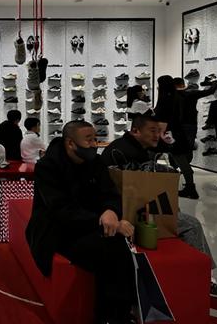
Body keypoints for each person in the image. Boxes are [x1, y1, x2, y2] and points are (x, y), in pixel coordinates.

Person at [101, 115, 217, 298]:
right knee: (192, 224)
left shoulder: (129, 147)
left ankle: (200, 274)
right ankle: (205, 279)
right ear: (136, 131)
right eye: (152, 131)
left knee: (179, 216)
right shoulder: (126, 151)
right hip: (128, 211)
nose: (157, 135)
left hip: (128, 207)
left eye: (159, 131)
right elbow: (136, 192)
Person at [26, 121, 136, 323]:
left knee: (116, 246)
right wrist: (103, 220)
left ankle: (117, 314)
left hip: (90, 223)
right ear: (70, 143)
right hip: (57, 229)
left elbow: (110, 193)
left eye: (95, 139)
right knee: (110, 250)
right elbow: (61, 210)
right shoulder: (47, 167)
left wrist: (111, 211)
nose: (94, 144)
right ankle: (111, 316)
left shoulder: (95, 163)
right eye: (89, 140)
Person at [169, 77, 217, 199]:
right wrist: (214, 82)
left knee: (176, 151)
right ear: (183, 84)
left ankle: (180, 174)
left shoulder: (171, 95)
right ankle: (183, 174)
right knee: (186, 150)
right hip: (190, 126)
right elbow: (210, 91)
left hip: (176, 127)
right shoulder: (191, 93)